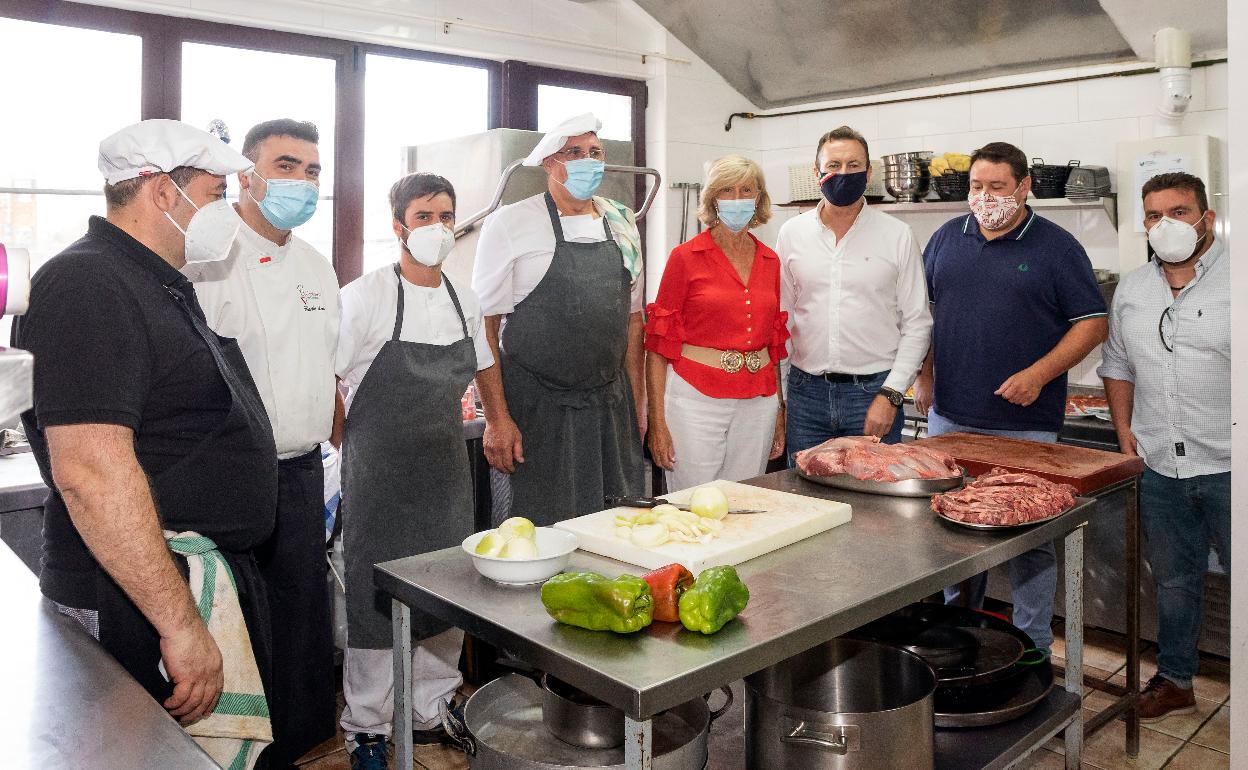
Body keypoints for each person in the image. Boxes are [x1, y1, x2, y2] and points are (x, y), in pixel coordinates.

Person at [12, 120, 278, 770]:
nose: (227, 211)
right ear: (163, 192)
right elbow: (90, 473)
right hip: (133, 599)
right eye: (216, 193)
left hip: (179, 581)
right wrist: (181, 626)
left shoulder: (151, 280)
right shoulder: (87, 286)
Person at [183, 118, 340, 767]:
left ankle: (294, 750)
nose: (300, 182)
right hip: (229, 479)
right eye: (285, 165)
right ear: (245, 175)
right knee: (238, 628)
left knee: (299, 626)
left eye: (311, 170)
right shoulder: (209, 257)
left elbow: (327, 372)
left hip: (301, 474)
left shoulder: (315, 265)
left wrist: (337, 452)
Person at [914, 141, 1108, 651]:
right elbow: (926, 316)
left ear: (1024, 187)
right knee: (951, 536)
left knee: (1031, 543)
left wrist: (1039, 374)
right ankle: (959, 638)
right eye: (976, 186)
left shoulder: (1057, 247)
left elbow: (1092, 324)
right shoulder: (944, 239)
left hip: (1025, 421)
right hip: (950, 419)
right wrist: (925, 377)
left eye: (997, 187)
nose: (984, 197)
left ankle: (1033, 646)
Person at [336, 173, 496, 770]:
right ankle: (367, 728)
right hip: (379, 469)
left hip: (444, 464)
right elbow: (332, 381)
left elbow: (484, 365)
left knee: (446, 585)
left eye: (446, 216)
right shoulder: (366, 295)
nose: (436, 227)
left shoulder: (464, 295)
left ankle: (431, 707)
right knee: (375, 598)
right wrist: (350, 448)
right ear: (398, 225)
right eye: (424, 216)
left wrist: (499, 420)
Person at [1098, 172, 1229, 722]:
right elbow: (1118, 364)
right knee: (1175, 580)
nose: (1165, 224)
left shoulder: (1240, 278)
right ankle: (1176, 680)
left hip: (1229, 462)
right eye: (1154, 215)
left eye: (1178, 211)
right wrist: (1124, 431)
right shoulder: (1133, 287)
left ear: (1207, 218)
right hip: (1158, 463)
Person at [472, 113, 645, 525]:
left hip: (609, 405)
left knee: (614, 523)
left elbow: (633, 321)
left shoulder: (622, 222)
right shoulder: (511, 223)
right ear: (549, 162)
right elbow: (484, 328)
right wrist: (497, 419)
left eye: (595, 153)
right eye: (575, 153)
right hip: (537, 409)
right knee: (537, 527)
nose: (589, 161)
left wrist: (637, 404)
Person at [778, 126, 931, 457]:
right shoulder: (792, 234)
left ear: (869, 172)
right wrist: (782, 396)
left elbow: (918, 323)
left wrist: (891, 394)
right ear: (816, 172)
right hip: (806, 394)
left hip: (873, 393)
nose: (842, 174)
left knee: (874, 502)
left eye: (853, 165)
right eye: (833, 166)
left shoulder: (897, 235)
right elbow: (782, 318)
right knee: (805, 501)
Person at [645, 155, 788, 489]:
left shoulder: (770, 260)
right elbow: (657, 346)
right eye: (727, 190)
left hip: (758, 402)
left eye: (746, 190)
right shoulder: (685, 258)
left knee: (745, 498)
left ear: (758, 198)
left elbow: (774, 343)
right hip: (696, 399)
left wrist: (779, 410)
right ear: (712, 199)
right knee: (694, 502)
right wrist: (657, 422)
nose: (737, 198)